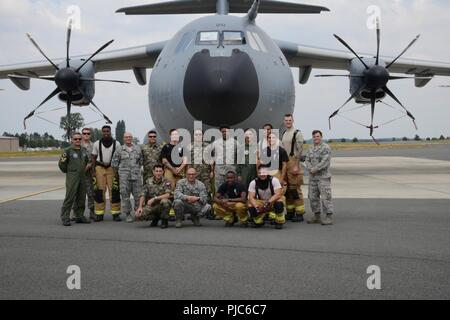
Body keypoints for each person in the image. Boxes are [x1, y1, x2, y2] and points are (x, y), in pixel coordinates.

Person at [58, 132, 91, 226]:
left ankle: (79, 216)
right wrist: (70, 172)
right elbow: (61, 164)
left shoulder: (84, 150)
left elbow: (87, 161)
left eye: (79, 139)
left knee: (81, 197)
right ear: (72, 140)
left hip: (82, 177)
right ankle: (65, 217)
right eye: (75, 139)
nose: (77, 141)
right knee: (70, 197)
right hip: (72, 177)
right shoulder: (67, 150)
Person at [91, 125, 122, 222]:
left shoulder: (116, 144)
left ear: (110, 131)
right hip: (99, 168)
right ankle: (99, 214)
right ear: (102, 132)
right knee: (99, 192)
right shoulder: (96, 143)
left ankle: (116, 213)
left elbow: (120, 158)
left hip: (112, 169)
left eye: (107, 131)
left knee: (114, 191)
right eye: (104, 131)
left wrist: (118, 171)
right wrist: (93, 171)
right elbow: (93, 157)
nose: (106, 133)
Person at [112, 132, 143, 223]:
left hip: (136, 176)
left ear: (132, 138)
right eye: (126, 137)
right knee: (125, 196)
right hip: (124, 178)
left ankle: (138, 213)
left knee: (138, 196)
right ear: (124, 138)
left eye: (129, 137)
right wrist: (118, 175)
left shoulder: (138, 149)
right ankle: (128, 214)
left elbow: (140, 161)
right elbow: (114, 164)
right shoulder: (119, 149)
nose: (128, 138)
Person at [305, 130, 334, 226]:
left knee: (325, 197)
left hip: (323, 177)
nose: (316, 138)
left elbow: (325, 161)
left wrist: (315, 169)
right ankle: (316, 215)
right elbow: (307, 159)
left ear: (321, 137)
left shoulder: (326, 148)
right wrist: (310, 168)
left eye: (317, 136)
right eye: (314, 137)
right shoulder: (310, 148)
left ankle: (328, 216)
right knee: (312, 196)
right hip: (313, 177)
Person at [281, 114, 306, 222]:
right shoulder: (284, 133)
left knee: (295, 189)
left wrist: (297, 165)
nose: (288, 122)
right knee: (287, 190)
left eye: (289, 120)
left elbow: (300, 150)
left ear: (293, 120)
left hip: (293, 162)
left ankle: (300, 213)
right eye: (286, 120)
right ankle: (290, 212)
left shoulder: (297, 133)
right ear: (284, 121)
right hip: (286, 163)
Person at [135, 164, 173, 229]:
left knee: (165, 201)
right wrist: (140, 207)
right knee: (139, 215)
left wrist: (154, 198)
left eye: (160, 171)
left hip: (161, 205)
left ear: (163, 172)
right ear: (153, 172)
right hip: (152, 206)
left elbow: (168, 195)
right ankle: (156, 217)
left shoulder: (167, 181)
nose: (158, 173)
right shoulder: (148, 181)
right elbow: (143, 194)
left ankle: (164, 220)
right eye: (156, 171)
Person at [70, 127, 95, 221]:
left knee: (91, 193)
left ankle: (92, 212)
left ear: (90, 135)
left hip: (89, 174)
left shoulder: (93, 145)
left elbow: (95, 158)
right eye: (84, 133)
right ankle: (75, 213)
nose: (86, 135)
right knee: (77, 194)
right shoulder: (77, 144)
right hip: (78, 174)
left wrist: (90, 165)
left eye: (88, 133)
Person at [209, 125, 238, 191]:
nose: (224, 133)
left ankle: (232, 200)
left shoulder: (236, 143)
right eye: (223, 131)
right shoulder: (215, 143)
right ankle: (219, 201)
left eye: (226, 131)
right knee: (219, 188)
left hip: (231, 170)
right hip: (219, 170)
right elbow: (211, 157)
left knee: (232, 188)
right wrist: (211, 170)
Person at [189, 129, 214, 203]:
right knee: (194, 191)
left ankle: (209, 210)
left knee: (207, 191)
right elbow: (187, 161)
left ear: (203, 136)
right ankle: (195, 211)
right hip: (194, 174)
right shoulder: (190, 146)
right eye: (196, 135)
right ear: (194, 136)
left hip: (205, 173)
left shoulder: (208, 146)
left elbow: (212, 160)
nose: (198, 136)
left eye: (200, 134)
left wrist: (212, 171)